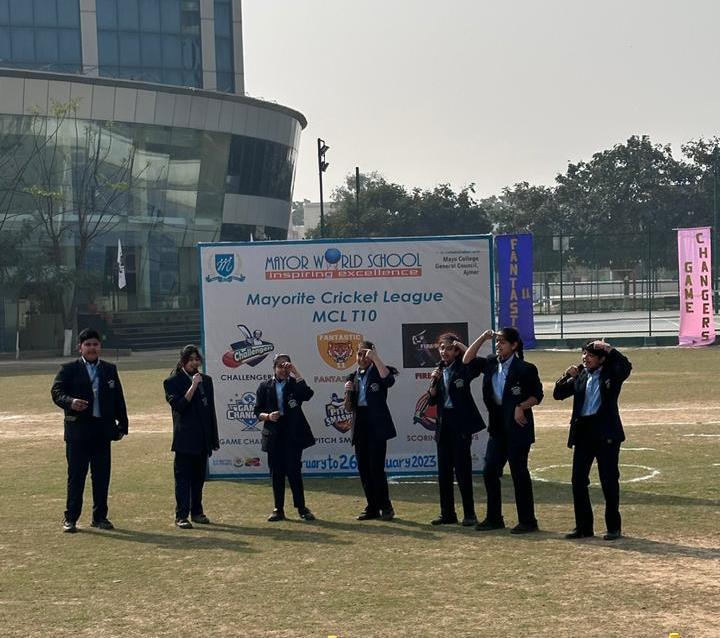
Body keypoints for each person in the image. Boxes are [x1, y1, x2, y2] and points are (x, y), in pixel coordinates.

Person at [463, 327, 543, 534]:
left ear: (514, 345)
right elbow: (467, 359)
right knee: (490, 471)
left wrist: (521, 406)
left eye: (503, 342)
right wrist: (483, 337)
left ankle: (528, 521)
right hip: (498, 428)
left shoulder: (525, 368)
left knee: (519, 473)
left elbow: (537, 395)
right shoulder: (491, 362)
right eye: (497, 342)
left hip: (518, 428)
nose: (498, 345)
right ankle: (494, 518)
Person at [51, 328, 128, 533]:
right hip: (78, 433)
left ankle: (100, 517)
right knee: (76, 477)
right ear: (80, 348)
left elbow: (118, 398)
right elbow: (57, 392)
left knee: (101, 477)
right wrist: (70, 402)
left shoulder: (109, 369)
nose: (92, 348)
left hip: (102, 432)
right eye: (88, 345)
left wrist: (123, 425)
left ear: (100, 347)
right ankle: (70, 518)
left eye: (95, 344)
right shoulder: (69, 369)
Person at [553, 340, 632, 540]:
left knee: (608, 480)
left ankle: (613, 527)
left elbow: (626, 366)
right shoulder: (581, 376)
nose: (585, 358)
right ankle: (583, 527)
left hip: (606, 434)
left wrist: (609, 349)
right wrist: (566, 376)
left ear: (601, 359)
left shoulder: (611, 374)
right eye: (584, 354)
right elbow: (558, 394)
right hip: (583, 433)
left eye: (590, 355)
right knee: (578, 480)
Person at [426, 333, 486, 526]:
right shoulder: (439, 370)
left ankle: (470, 514)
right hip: (443, 425)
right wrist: (432, 389)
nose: (444, 352)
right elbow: (432, 401)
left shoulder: (463, 367)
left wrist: (461, 345)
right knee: (444, 472)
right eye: (442, 348)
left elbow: (476, 364)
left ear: (457, 351)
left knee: (462, 471)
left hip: (460, 424)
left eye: (449, 348)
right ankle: (447, 514)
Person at [163, 345, 220, 529]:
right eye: (191, 360)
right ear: (183, 361)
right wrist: (193, 385)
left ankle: (197, 512)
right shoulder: (172, 381)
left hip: (202, 438)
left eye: (197, 359)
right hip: (185, 439)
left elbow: (210, 411)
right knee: (183, 479)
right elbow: (179, 406)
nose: (194, 363)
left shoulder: (206, 381)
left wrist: (213, 438)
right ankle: (181, 515)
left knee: (198, 479)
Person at [254, 354, 316, 522]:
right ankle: (278, 509)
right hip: (273, 435)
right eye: (280, 366)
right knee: (276, 473)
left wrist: (296, 372)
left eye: (286, 366)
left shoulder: (294, 384)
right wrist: (268, 416)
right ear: (274, 368)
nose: (283, 369)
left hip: (293, 435)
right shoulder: (264, 386)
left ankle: (302, 508)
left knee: (294, 472)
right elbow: (257, 411)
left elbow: (308, 394)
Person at [343, 341, 398, 521]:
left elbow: (389, 381)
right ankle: (372, 507)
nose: (362, 358)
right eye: (359, 354)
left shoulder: (379, 371)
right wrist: (347, 392)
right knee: (364, 468)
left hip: (377, 424)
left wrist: (375, 358)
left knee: (376, 468)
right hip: (360, 423)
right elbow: (348, 408)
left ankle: (386, 507)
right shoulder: (353, 376)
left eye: (366, 354)